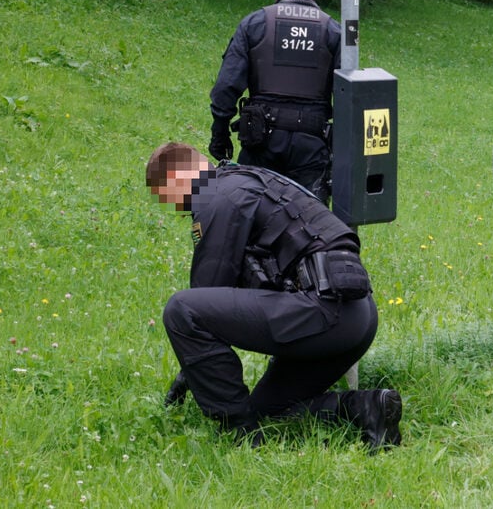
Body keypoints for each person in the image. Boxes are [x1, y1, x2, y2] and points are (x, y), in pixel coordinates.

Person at [145, 142, 402, 450]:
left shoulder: (216, 195)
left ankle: (242, 436)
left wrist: (193, 368)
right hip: (356, 317)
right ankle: (367, 408)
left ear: (176, 178)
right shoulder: (249, 181)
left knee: (180, 308)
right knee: (268, 409)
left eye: (167, 197)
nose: (175, 208)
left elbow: (204, 299)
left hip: (323, 314)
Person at [208, 0, 341, 202]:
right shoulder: (333, 30)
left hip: (260, 140)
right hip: (311, 143)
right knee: (309, 224)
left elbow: (226, 86)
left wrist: (220, 133)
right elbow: (349, 95)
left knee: (252, 215)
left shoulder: (255, 23)